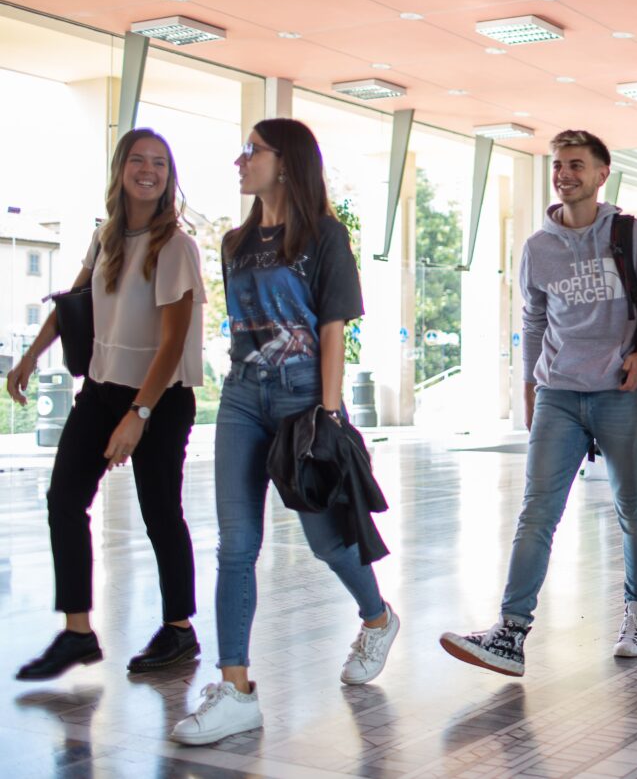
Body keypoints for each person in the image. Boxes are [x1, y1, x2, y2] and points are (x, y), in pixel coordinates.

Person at [171, 119, 398, 746]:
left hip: (305, 400)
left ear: (287, 162)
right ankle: (236, 689)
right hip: (242, 398)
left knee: (327, 542)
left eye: (254, 151)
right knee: (236, 545)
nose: (241, 160)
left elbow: (332, 329)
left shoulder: (326, 236)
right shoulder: (236, 240)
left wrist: (327, 415)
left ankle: (377, 619)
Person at [440, 129, 637, 676]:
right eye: (558, 165)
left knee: (631, 506)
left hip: (619, 392)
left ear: (601, 173)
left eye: (576, 165)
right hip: (559, 394)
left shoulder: (633, 236)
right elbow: (533, 319)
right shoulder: (537, 247)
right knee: (536, 512)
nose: (565, 174)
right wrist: (529, 388)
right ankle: (511, 634)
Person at [9, 129, 205, 681]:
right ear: (121, 170)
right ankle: (77, 633)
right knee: (64, 501)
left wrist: (138, 416)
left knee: (160, 514)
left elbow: (172, 342)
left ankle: (179, 631)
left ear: (169, 178)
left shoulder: (176, 246)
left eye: (160, 164)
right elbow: (75, 303)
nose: (150, 170)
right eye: (139, 161)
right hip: (100, 390)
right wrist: (29, 357)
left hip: (160, 398)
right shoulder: (107, 238)